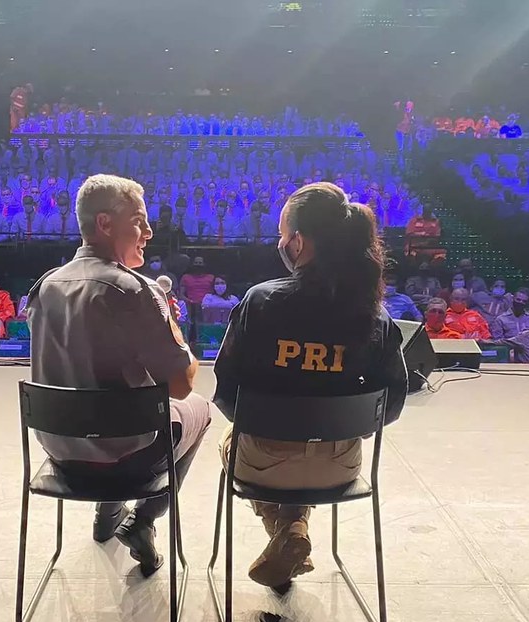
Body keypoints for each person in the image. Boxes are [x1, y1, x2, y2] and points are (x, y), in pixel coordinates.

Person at [213, 182, 408, 588]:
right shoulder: (377, 316)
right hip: (340, 466)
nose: (281, 244)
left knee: (230, 442)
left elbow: (226, 391)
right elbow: (389, 407)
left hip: (262, 462)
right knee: (301, 443)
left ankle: (288, 529)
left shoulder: (260, 301)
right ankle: (293, 527)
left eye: (283, 236)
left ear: (298, 242)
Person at [27, 174, 211, 577]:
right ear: (106, 224)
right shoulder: (136, 289)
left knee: (107, 410)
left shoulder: (42, 287)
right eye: (139, 221)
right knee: (200, 409)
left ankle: (105, 516)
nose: (148, 232)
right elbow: (180, 385)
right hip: (128, 457)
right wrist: (173, 330)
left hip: (58, 451)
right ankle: (143, 518)